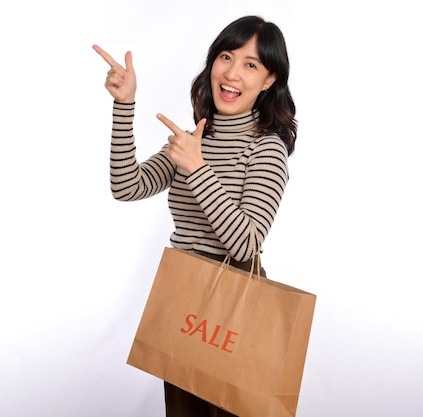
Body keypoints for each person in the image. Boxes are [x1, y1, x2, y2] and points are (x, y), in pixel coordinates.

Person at [93, 15, 296, 417]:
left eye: (250, 64)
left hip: (235, 303)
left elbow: (246, 242)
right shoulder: (193, 140)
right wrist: (124, 105)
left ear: (270, 79)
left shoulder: (266, 149)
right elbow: (126, 186)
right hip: (184, 297)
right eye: (225, 57)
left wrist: (198, 169)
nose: (232, 73)